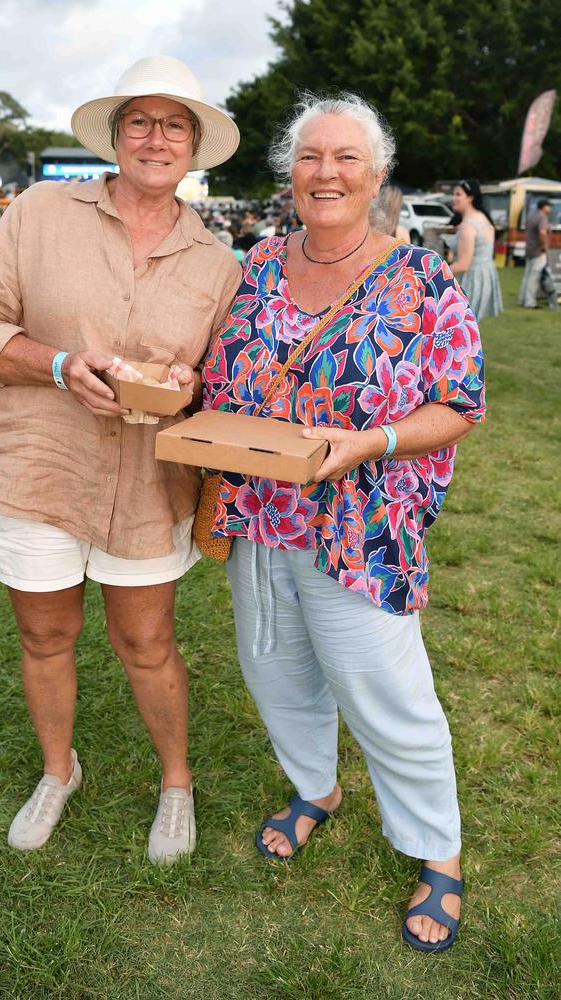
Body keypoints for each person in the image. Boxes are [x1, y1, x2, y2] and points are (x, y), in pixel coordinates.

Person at [202, 92, 485, 952]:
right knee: (275, 670)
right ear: (290, 171)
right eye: (310, 157)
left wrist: (372, 441)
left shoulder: (420, 276)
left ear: (376, 174)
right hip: (260, 512)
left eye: (345, 158)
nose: (326, 173)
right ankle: (315, 787)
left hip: (360, 523)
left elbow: (460, 402)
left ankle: (437, 852)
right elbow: (215, 374)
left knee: (386, 693)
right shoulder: (252, 264)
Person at [0, 55, 241, 864]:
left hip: (146, 481)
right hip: (35, 465)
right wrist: (57, 364)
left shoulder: (218, 265)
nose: (156, 137)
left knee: (147, 641)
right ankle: (57, 770)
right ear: (116, 137)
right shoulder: (40, 211)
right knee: (45, 633)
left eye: (173, 123)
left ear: (193, 144)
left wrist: (186, 387)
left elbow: (219, 386)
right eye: (139, 121)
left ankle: (175, 784)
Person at [449, 180, 502, 319]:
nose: (453, 198)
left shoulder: (468, 226)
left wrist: (436, 273)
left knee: (460, 326)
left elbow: (463, 264)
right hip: (484, 275)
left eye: (458, 194)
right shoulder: (483, 218)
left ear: (470, 197)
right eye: (453, 194)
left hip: (472, 279)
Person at [518, 198, 558, 310]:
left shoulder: (532, 215)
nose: (550, 208)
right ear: (544, 207)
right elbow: (542, 232)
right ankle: (529, 302)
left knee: (527, 275)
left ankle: (522, 299)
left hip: (529, 249)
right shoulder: (542, 217)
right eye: (548, 206)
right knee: (534, 277)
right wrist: (545, 247)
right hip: (538, 250)